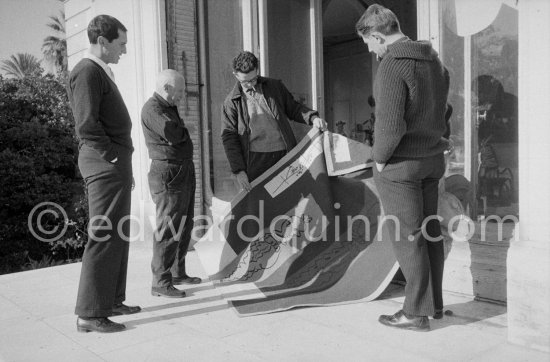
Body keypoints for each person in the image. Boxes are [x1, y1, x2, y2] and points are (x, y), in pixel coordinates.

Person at [356, 4, 450, 331]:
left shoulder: (393, 65)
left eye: (369, 42)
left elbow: (390, 125)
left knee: (408, 238)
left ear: (379, 36)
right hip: (431, 160)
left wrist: (379, 159)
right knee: (429, 232)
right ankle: (433, 305)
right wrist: (437, 140)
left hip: (400, 166)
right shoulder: (435, 61)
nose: (371, 50)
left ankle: (414, 313)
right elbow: (445, 110)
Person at [68, 15, 140, 333]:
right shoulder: (86, 71)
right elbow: (87, 125)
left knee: (118, 233)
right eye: (120, 44)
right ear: (103, 41)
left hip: (114, 165)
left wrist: (123, 165)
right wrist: (112, 157)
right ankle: (89, 313)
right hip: (103, 164)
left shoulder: (101, 71)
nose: (123, 50)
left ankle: (110, 300)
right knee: (104, 233)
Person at [221, 51, 327, 192]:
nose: (251, 85)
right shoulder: (230, 103)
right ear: (235, 75)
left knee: (291, 198)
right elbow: (229, 138)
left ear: (257, 71)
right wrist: (239, 170)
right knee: (260, 204)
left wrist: (313, 118)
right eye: (245, 82)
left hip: (284, 154)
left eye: (254, 79)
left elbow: (294, 108)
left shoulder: (275, 86)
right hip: (255, 160)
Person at [141, 69, 201, 298]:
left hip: (182, 169)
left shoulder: (168, 107)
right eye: (181, 90)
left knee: (184, 223)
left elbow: (175, 134)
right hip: (168, 171)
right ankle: (160, 282)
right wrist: (187, 131)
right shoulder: (152, 108)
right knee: (169, 226)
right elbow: (171, 132)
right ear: (166, 88)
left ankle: (177, 272)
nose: (183, 95)